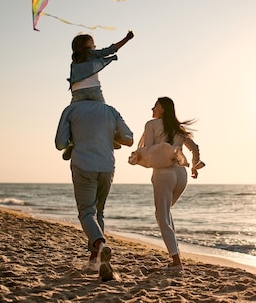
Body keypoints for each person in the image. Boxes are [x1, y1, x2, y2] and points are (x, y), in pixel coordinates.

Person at [55, 100, 133, 281]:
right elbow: (128, 139)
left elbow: (60, 143)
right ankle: (95, 261)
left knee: (86, 212)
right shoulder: (111, 111)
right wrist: (108, 138)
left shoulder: (72, 109)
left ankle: (100, 245)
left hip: (84, 165)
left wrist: (76, 139)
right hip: (106, 166)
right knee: (99, 212)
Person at [138, 96, 203, 271]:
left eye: (155, 106)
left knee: (161, 217)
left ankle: (176, 262)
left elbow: (149, 149)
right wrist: (195, 166)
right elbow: (195, 148)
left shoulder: (151, 125)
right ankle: (176, 256)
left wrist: (139, 156)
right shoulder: (178, 129)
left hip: (163, 174)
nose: (152, 109)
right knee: (166, 213)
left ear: (163, 109)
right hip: (181, 175)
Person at [62, 31, 135, 160]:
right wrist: (126, 39)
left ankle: (72, 142)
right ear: (85, 45)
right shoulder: (91, 53)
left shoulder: (74, 59)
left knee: (72, 117)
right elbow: (110, 50)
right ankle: (110, 137)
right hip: (94, 90)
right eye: (92, 42)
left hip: (77, 92)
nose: (94, 45)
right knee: (104, 114)